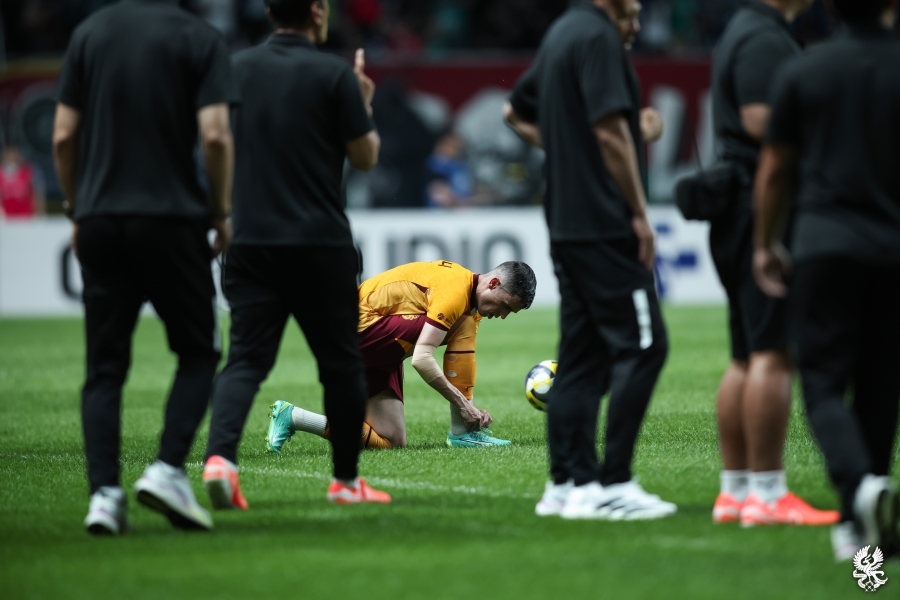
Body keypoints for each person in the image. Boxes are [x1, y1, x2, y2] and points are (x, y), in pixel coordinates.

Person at [53, 0, 236, 534]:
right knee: (199, 351)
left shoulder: (89, 33)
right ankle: (167, 470)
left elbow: (63, 135)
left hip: (100, 218)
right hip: (171, 219)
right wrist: (220, 211)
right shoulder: (199, 38)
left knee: (104, 367)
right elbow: (216, 135)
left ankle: (104, 497)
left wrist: (76, 207)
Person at [201, 0, 390, 510]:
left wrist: (221, 213)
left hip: (250, 241)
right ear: (317, 12)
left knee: (245, 359)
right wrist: (363, 102)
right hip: (319, 243)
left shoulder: (234, 68)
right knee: (340, 365)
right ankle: (346, 482)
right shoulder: (335, 75)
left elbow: (211, 141)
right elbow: (365, 157)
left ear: (269, 11)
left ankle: (220, 461)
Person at [504, 0, 675, 521]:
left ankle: (567, 485)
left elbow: (515, 112)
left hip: (566, 222)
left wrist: (569, 148)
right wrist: (640, 213)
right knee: (645, 347)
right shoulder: (598, 38)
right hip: (604, 222)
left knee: (580, 358)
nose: (637, 24)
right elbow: (607, 132)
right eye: (633, 11)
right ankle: (613, 482)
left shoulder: (561, 33)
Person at [754, 0, 900, 561]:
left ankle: (860, 494)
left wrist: (766, 243)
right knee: (881, 385)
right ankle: (863, 533)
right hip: (892, 248)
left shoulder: (805, 68)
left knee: (821, 381)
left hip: (825, 244)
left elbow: (774, 168)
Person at [707, 0, 839, 528]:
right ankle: (767, 494)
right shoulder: (764, 36)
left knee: (746, 354)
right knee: (773, 352)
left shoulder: (745, 30)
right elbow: (760, 118)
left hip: (737, 205)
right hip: (759, 205)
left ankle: (735, 492)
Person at [265, 260, 536, 452]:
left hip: (379, 347)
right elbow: (422, 358)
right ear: (493, 283)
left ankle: (294, 417)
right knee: (462, 323)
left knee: (391, 441)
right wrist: (464, 406)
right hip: (356, 330)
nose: (503, 315)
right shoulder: (456, 291)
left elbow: (457, 361)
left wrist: (469, 408)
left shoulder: (470, 305)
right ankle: (463, 434)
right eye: (505, 306)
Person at [0, 144, 45, 218]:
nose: (12, 156)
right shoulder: (1, 173)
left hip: (26, 216)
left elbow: (37, 193)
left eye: (14, 152)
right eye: (9, 153)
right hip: (6, 217)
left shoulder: (29, 170)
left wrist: (40, 212)